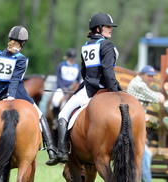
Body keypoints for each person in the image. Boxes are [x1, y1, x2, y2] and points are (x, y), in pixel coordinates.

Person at [0, 25, 58, 166]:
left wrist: (2, 93)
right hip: (17, 93)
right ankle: (51, 148)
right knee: (39, 114)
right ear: (23, 42)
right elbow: (15, 80)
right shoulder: (21, 59)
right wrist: (11, 95)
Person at [50, 13, 122, 165]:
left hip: (88, 90)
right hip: (106, 88)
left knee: (63, 115)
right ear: (98, 28)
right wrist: (116, 91)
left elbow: (84, 72)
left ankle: (62, 151)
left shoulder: (85, 46)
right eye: (108, 27)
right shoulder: (107, 45)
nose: (111, 29)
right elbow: (108, 73)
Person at [127, 65, 165, 182]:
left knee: (142, 156)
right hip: (130, 126)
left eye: (152, 76)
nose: (151, 78)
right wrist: (161, 96)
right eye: (149, 75)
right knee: (145, 154)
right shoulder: (138, 84)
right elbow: (155, 97)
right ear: (142, 74)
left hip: (135, 125)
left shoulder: (140, 83)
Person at [51, 48, 81, 117]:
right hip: (62, 88)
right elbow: (58, 79)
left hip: (72, 90)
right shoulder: (61, 66)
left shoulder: (77, 67)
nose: (72, 60)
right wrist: (62, 88)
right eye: (70, 58)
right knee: (55, 102)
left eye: (73, 58)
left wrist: (75, 88)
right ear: (67, 58)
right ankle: (55, 118)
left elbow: (78, 80)